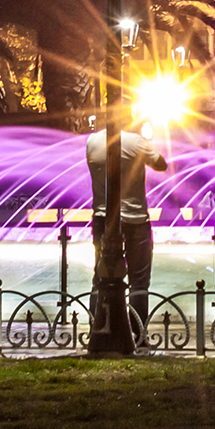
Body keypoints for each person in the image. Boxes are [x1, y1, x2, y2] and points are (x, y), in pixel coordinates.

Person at [87, 117, 168, 332]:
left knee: (100, 276)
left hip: (103, 218)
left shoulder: (93, 141)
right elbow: (161, 164)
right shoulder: (136, 142)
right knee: (138, 281)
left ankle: (97, 327)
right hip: (135, 220)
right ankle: (137, 332)